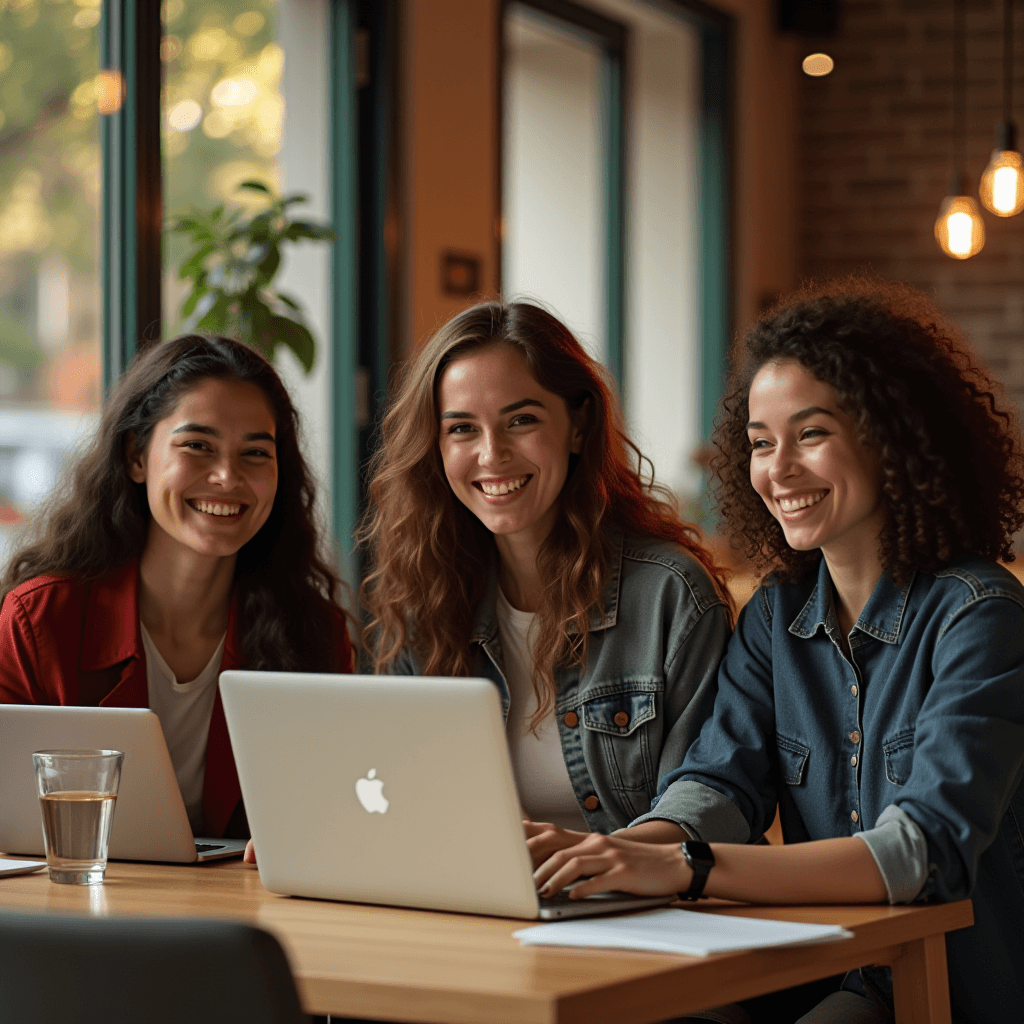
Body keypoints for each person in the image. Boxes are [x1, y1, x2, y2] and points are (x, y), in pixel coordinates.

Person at [529, 280, 1024, 1023]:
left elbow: (921, 853)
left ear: (890, 437)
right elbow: (721, 783)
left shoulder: (980, 615)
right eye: (761, 442)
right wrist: (627, 854)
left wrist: (685, 868)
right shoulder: (774, 615)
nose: (779, 469)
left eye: (812, 434)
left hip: (944, 992)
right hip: (820, 969)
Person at [358, 299, 732, 835]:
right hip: (476, 901)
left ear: (577, 427)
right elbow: (393, 788)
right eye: (462, 429)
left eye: (521, 420)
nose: (492, 454)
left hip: (631, 904)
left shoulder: (669, 595)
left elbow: (709, 797)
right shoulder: (429, 594)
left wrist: (602, 860)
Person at [0, 335, 354, 840]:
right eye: (198, 446)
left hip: (244, 911)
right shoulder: (42, 621)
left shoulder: (314, 632)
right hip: (83, 910)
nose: (228, 476)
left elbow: (335, 816)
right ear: (137, 456)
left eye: (256, 453)